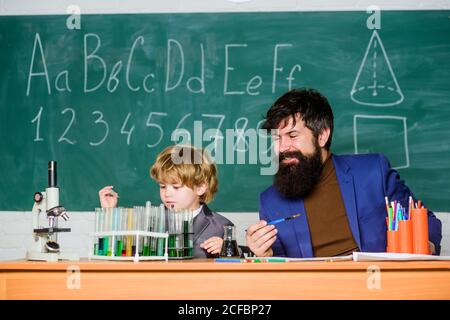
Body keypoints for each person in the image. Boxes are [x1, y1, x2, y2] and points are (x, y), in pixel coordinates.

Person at [246, 88, 442, 258]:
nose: (282, 147)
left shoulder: (373, 171)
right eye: (276, 138)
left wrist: (425, 246)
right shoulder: (270, 200)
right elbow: (280, 265)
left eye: (292, 135)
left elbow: (426, 223)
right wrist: (265, 255)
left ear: (322, 135)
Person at [99, 144, 233, 258]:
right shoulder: (150, 221)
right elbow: (123, 252)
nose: (167, 193)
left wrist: (227, 250)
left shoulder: (221, 226)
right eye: (162, 186)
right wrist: (109, 212)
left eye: (176, 187)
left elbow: (237, 267)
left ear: (200, 188)